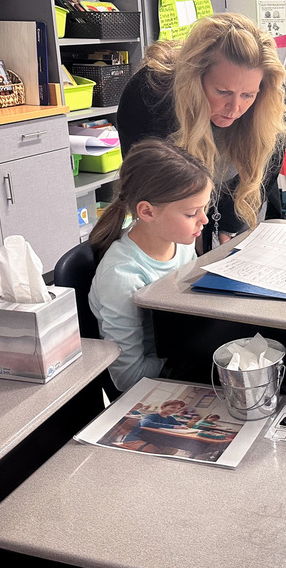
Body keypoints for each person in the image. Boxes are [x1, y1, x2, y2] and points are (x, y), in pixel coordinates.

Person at [114, 12, 286, 247]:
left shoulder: (270, 96)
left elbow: (265, 169)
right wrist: (190, 233)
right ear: (196, 78)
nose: (235, 108)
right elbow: (147, 189)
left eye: (247, 95)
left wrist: (231, 224)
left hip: (236, 199)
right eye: (223, 91)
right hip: (172, 213)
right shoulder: (147, 98)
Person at [89, 140, 212, 394]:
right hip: (156, 381)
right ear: (147, 212)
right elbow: (127, 377)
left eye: (204, 208)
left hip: (183, 351)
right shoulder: (122, 275)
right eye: (191, 213)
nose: (204, 219)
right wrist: (189, 357)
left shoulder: (182, 245)